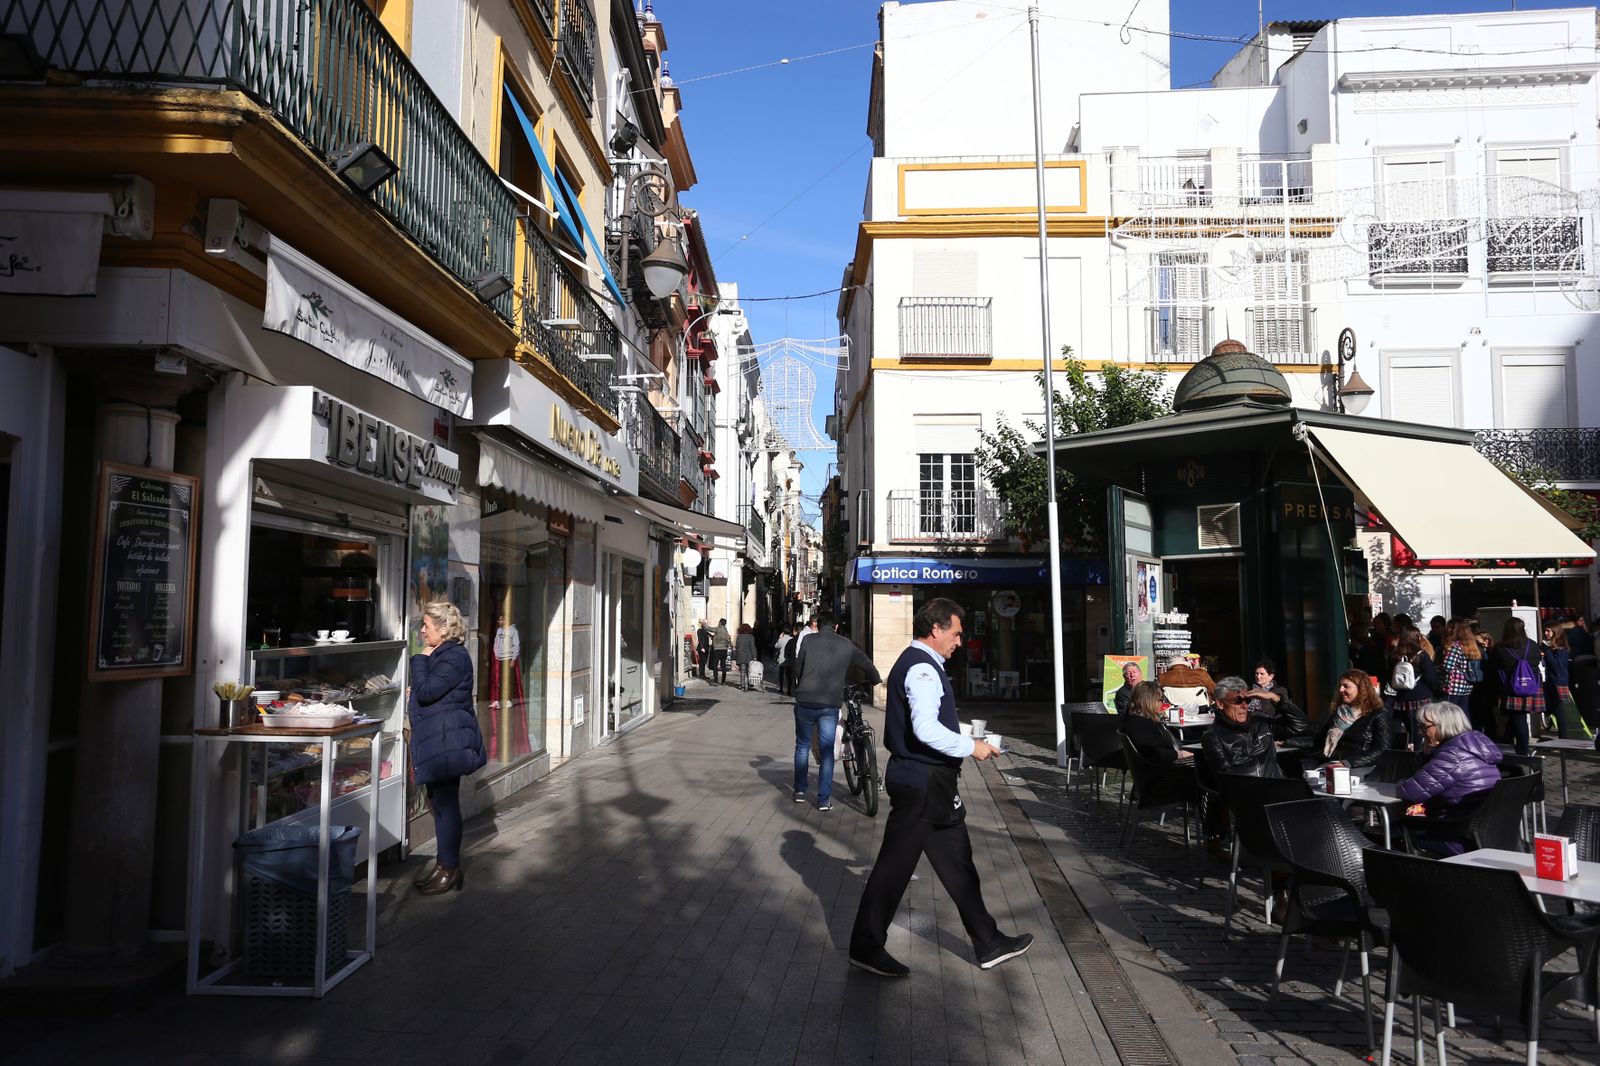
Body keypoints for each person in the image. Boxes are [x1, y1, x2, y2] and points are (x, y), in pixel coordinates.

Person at [850, 598, 1033, 977]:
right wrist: (972, 747)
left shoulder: (921, 663)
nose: (960, 642)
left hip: (929, 783)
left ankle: (988, 941)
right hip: (922, 783)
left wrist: (970, 735)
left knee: (958, 864)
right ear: (936, 630)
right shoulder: (922, 669)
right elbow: (925, 729)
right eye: (956, 633)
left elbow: (932, 725)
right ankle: (866, 946)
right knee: (894, 868)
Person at [409, 601, 487, 895]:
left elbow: (428, 691)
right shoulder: (445, 655)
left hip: (446, 742)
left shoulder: (452, 657)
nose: (423, 632)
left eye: (426, 626)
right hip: (440, 740)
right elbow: (432, 694)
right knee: (440, 806)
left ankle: (450, 869)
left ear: (443, 629)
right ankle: (444, 866)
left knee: (446, 806)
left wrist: (420, 659)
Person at [791, 609, 882, 810]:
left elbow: (798, 668)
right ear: (837, 626)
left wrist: (800, 685)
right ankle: (823, 800)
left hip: (805, 700)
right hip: (829, 704)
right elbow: (866, 663)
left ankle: (799, 790)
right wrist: (875, 679)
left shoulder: (807, 641)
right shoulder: (845, 643)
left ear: (818, 625)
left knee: (802, 746)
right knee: (826, 751)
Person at [1396, 701, 1504, 856]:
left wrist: (1399, 783)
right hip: (1487, 832)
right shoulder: (1474, 747)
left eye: (1424, 727)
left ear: (1443, 726)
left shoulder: (1451, 755)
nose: (1420, 732)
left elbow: (1410, 792)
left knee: (1390, 835)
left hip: (1460, 837)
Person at [1290, 669, 1390, 769]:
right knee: (1291, 764)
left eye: (1346, 686)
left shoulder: (1378, 714)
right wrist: (1287, 742)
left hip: (1357, 766)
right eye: (1340, 686)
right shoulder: (1339, 712)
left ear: (1361, 689)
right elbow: (1318, 740)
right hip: (1331, 761)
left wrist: (1348, 763)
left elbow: (1382, 750)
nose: (1341, 690)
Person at [1201, 675, 1282, 779]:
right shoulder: (1213, 737)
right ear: (1220, 703)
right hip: (1250, 792)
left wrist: (1275, 698)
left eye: (1248, 700)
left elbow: (1301, 727)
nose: (1244, 706)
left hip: (1278, 787)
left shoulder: (1260, 722)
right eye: (1237, 701)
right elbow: (1228, 779)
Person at [1494, 617, 1544, 755]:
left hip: (1512, 687)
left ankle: (1524, 751)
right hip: (1532, 686)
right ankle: (1511, 747)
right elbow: (1538, 660)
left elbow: (1495, 665)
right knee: (1516, 718)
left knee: (1519, 718)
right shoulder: (1533, 645)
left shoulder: (1501, 647)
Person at [1119, 681, 1192, 764]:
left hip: (1164, 764)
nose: (1163, 703)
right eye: (1161, 699)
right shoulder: (1139, 724)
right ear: (1150, 701)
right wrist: (1180, 754)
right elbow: (1152, 753)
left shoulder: (1140, 720)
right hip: (1163, 769)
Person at [1389, 629, 1438, 749]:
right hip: (1420, 696)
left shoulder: (1396, 655)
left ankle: (1398, 750)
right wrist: (1435, 689)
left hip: (1401, 697)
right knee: (1418, 728)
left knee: (1399, 726)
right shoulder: (1422, 655)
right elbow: (1430, 677)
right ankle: (1417, 751)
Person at [1244, 658, 1311, 742]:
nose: (1258, 676)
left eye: (1262, 674)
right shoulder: (1249, 689)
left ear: (1271, 676)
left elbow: (1283, 711)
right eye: (1256, 673)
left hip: (1267, 728)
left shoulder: (1279, 691)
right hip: (1247, 727)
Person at [1542, 623, 1578, 740]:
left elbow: (1557, 666)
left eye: (1548, 631)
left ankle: (1564, 740)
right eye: (1545, 631)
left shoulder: (1561, 648)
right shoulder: (1550, 646)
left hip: (1558, 683)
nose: (1546, 633)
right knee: (1553, 710)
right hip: (1550, 682)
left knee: (1559, 712)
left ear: (1555, 632)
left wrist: (1547, 652)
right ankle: (1562, 737)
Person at [733, 623, 758, 690]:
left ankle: (742, 686)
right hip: (749, 656)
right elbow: (752, 647)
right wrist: (754, 656)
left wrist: (736, 656)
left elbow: (737, 647)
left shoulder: (739, 637)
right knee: (750, 671)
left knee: (742, 672)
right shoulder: (751, 637)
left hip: (741, 656)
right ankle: (749, 684)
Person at [773, 626, 794, 694]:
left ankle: (781, 688)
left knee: (781, 675)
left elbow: (776, 646)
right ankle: (789, 690)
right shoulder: (792, 638)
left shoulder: (781, 639)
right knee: (789, 676)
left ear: (783, 632)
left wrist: (779, 637)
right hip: (789, 659)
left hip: (782, 659)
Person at [711, 618, 733, 685]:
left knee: (715, 665)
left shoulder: (717, 629)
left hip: (717, 649)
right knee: (723, 665)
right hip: (724, 650)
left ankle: (715, 681)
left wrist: (703, 624)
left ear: (720, 622)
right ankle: (723, 681)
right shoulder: (726, 630)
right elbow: (728, 639)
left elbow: (709, 628)